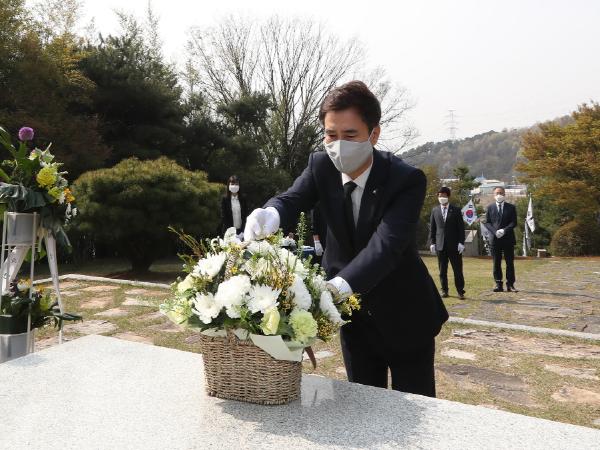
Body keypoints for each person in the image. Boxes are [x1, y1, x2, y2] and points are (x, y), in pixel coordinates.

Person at [244, 81, 448, 397]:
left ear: (373, 134)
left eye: (350, 135)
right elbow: (293, 198)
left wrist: (337, 287)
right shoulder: (321, 166)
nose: (339, 145)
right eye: (331, 135)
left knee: (413, 409)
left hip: (405, 314)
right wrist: (270, 213)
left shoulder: (405, 179)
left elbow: (387, 245)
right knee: (360, 406)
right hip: (354, 321)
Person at [429, 187, 466, 299]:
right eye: (440, 196)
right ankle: (444, 290)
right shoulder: (435, 210)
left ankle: (460, 291)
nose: (441, 197)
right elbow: (432, 228)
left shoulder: (456, 210)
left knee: (457, 270)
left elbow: (461, 228)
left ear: (448, 196)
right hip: (440, 245)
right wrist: (432, 242)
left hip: (454, 245)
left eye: (444, 195)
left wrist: (461, 242)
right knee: (442, 270)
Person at [484, 186, 518, 292]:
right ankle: (498, 284)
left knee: (509, 262)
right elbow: (487, 222)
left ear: (504, 194)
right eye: (497, 193)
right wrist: (495, 232)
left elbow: (514, 222)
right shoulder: (490, 207)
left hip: (508, 238)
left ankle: (510, 284)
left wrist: (504, 230)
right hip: (495, 239)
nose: (499, 195)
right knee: (496, 262)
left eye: (501, 193)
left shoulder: (511, 207)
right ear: (494, 195)